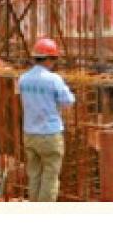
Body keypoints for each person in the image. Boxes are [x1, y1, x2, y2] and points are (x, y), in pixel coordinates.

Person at [17, 36, 75, 202]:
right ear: (49, 59)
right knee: (50, 177)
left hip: (30, 134)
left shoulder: (23, 79)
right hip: (50, 134)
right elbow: (68, 101)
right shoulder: (53, 79)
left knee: (34, 175)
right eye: (54, 59)